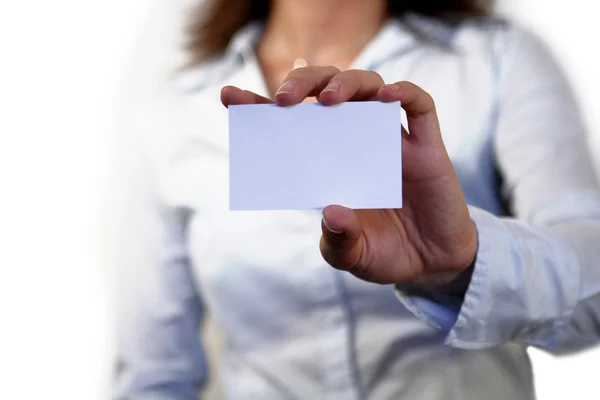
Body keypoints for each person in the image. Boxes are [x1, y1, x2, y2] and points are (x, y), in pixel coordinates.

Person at [114, 0, 600, 399]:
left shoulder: (496, 63)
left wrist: (464, 264)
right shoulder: (177, 113)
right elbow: (154, 377)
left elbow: (592, 291)